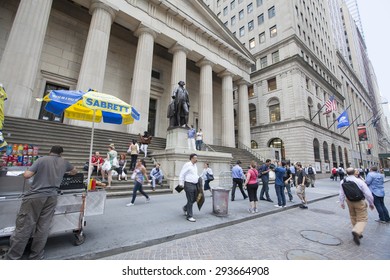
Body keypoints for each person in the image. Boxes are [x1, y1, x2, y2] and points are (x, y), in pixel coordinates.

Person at [5, 146, 77, 260]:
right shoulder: (64, 162)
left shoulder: (41, 160)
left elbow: (27, 175)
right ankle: (36, 255)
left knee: (24, 226)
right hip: (52, 197)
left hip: (35, 196)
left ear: (50, 151)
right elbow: (74, 171)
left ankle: (13, 257)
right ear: (61, 153)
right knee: (43, 227)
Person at [339, 167, 374, 245]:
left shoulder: (342, 181)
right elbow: (368, 194)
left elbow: (341, 194)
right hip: (359, 201)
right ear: (354, 172)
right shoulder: (359, 181)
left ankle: (357, 231)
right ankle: (357, 231)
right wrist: (371, 203)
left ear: (346, 173)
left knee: (353, 216)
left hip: (349, 201)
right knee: (362, 218)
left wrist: (342, 203)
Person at [178, 153, 199, 222]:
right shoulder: (187, 165)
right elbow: (182, 174)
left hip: (195, 184)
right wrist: (181, 183)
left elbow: (195, 174)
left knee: (195, 198)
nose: (196, 159)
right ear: (192, 158)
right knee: (190, 200)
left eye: (196, 158)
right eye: (195, 158)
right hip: (188, 184)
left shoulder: (195, 165)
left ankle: (185, 208)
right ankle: (189, 216)